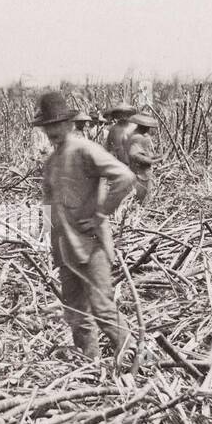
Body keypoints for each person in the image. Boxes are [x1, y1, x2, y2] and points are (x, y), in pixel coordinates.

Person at [35, 91, 135, 361]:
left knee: (103, 309)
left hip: (91, 245)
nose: (53, 130)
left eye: (58, 124)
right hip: (65, 250)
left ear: (69, 124)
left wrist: (101, 213)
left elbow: (125, 177)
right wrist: (48, 239)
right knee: (76, 314)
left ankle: (137, 358)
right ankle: (91, 366)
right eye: (48, 126)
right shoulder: (52, 161)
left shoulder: (84, 149)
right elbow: (48, 202)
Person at [125, 113, 159, 203]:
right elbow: (133, 154)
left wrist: (153, 156)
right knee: (141, 195)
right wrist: (150, 160)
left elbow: (144, 152)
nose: (148, 129)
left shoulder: (139, 136)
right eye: (147, 127)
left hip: (141, 170)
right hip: (139, 171)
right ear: (143, 127)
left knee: (142, 193)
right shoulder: (137, 137)